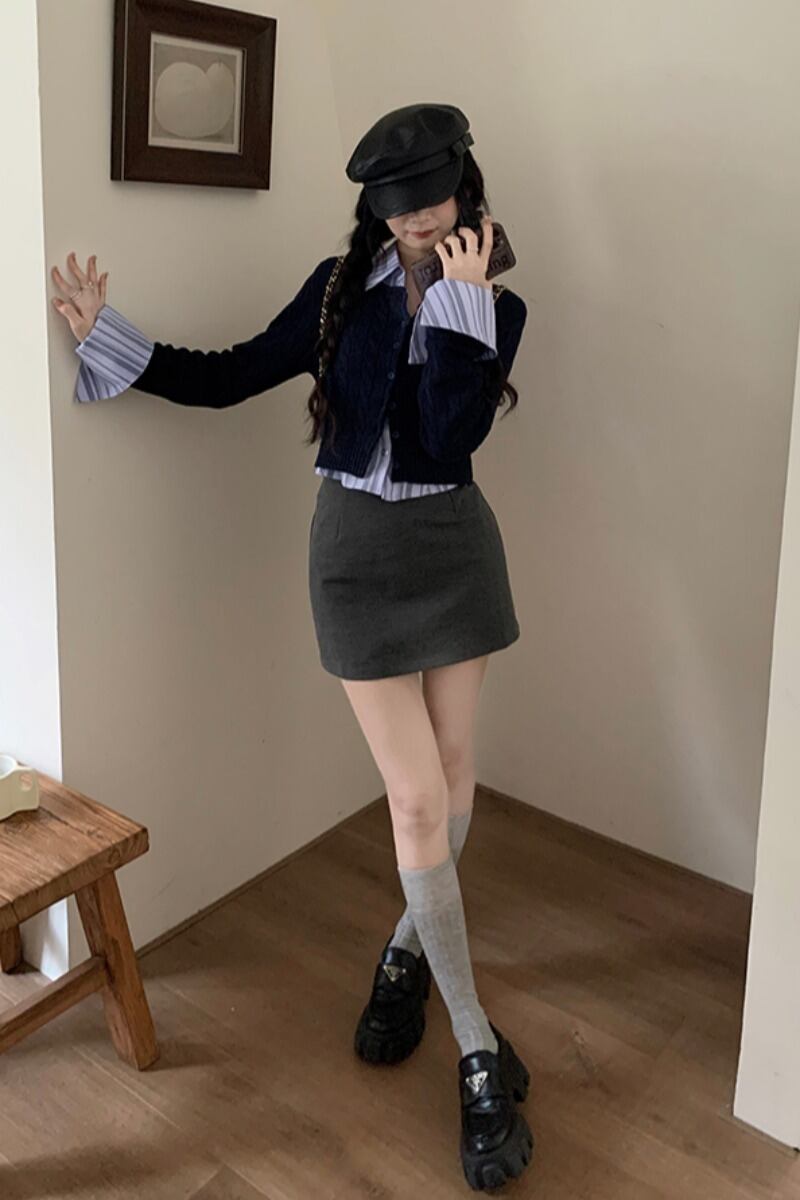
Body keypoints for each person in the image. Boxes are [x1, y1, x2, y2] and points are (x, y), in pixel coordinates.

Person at [50, 102, 534, 1191]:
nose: (414, 221)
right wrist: (108, 335)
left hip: (455, 552)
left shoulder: (496, 305)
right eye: (395, 208)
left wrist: (462, 306)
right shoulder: (335, 289)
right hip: (354, 558)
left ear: (464, 189)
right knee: (417, 797)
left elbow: (452, 434)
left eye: (430, 200)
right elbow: (230, 372)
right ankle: (474, 1047)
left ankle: (404, 955)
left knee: (454, 778)